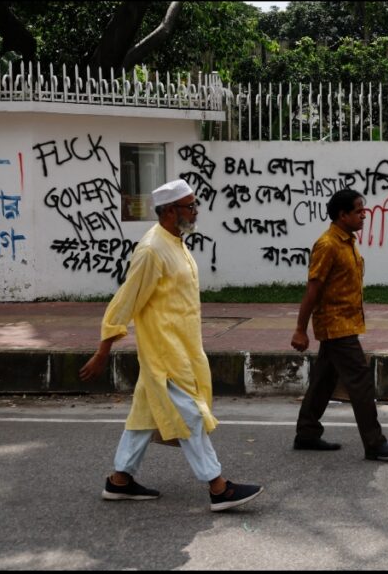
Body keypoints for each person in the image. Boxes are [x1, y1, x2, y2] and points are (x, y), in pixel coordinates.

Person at [80, 179, 264, 511]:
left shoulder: (175, 242)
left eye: (195, 205)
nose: (195, 212)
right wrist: (102, 350)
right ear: (168, 211)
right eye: (189, 206)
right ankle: (218, 487)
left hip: (183, 346)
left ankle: (119, 480)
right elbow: (126, 301)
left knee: (143, 415)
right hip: (165, 352)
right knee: (190, 416)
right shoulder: (152, 250)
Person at [290, 189, 388, 460]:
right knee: (361, 382)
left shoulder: (347, 241)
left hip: (346, 322)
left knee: (324, 380)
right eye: (358, 210)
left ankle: (307, 433)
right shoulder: (328, 244)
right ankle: (375, 443)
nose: (363, 215)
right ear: (342, 215)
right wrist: (300, 329)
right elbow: (313, 289)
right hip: (336, 326)